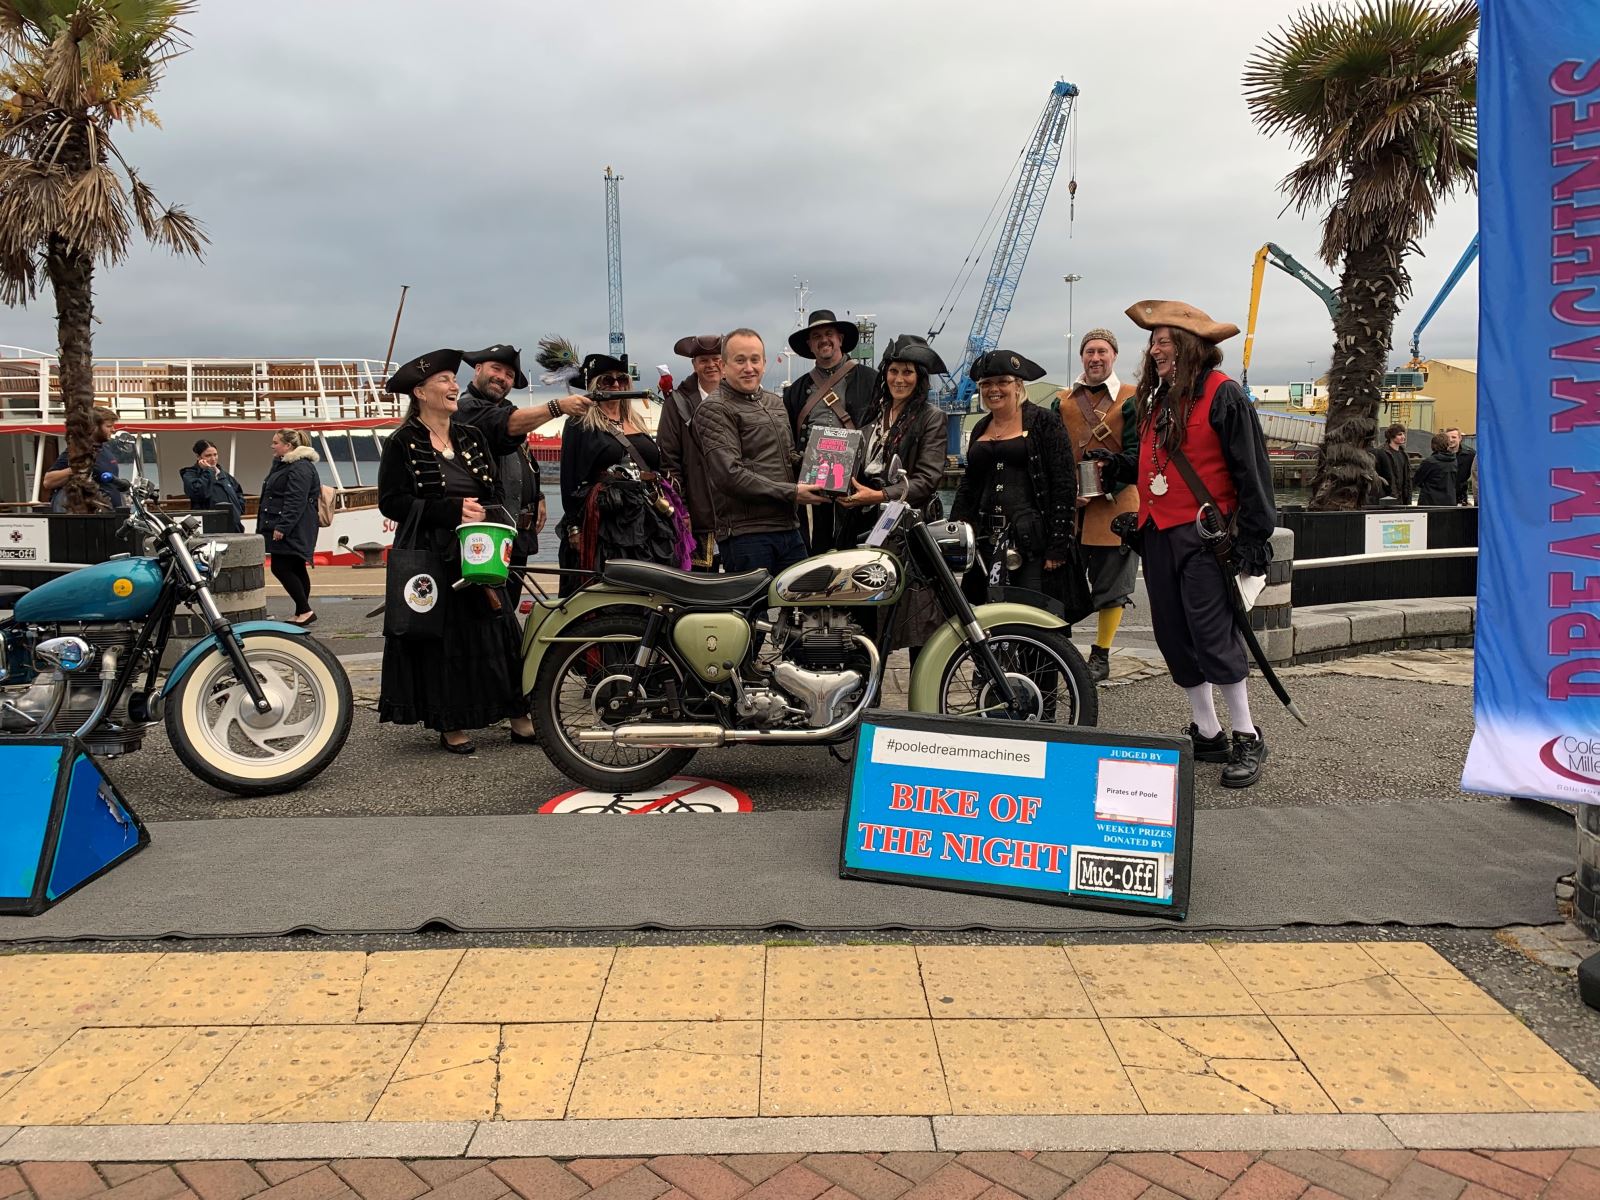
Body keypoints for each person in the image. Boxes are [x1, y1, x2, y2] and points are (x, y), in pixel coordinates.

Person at [1090, 300, 1277, 788]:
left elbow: (1252, 472)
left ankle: (1246, 734)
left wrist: (1254, 540)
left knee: (1214, 635)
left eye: (1164, 343)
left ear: (1191, 348)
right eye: (1153, 344)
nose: (1154, 352)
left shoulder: (1225, 395)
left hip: (1205, 537)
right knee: (1173, 635)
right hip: (1158, 534)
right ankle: (1208, 731)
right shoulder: (1155, 400)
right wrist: (1120, 469)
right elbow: (1156, 462)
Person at [376, 349, 536, 754]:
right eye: (444, 381)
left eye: (453, 380)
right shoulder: (402, 441)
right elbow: (391, 501)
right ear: (421, 392)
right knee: (443, 639)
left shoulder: (472, 436)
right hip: (432, 554)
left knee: (498, 630)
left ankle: (518, 715)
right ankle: (451, 722)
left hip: (476, 549)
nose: (452, 387)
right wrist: (449, 511)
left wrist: (483, 511)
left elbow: (495, 490)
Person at [840, 333, 950, 659]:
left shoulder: (931, 418)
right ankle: (865, 693)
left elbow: (927, 479)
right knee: (865, 617)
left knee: (921, 617)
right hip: (864, 525)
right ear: (884, 373)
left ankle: (924, 697)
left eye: (908, 372)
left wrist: (879, 495)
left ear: (919, 378)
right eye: (893, 371)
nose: (899, 379)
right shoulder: (872, 417)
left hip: (908, 531)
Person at [455, 343, 589, 605]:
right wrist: (558, 406)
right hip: (487, 536)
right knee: (489, 614)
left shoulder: (506, 409)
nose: (502, 378)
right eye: (496, 369)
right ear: (478, 369)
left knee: (508, 607)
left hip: (516, 535)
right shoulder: (467, 408)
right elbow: (505, 425)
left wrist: (537, 494)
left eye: (509, 375)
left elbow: (519, 456)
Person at [952, 350, 1076, 607]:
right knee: (986, 614)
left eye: (1002, 382)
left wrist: (1058, 545)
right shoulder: (980, 426)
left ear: (1018, 385)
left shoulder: (1045, 422)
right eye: (986, 384)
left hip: (1032, 541)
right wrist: (957, 531)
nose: (993, 389)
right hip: (986, 538)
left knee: (1031, 615)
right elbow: (969, 485)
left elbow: (1064, 483)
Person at [698, 328, 827, 573]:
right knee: (751, 611)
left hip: (788, 528)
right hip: (746, 533)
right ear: (724, 366)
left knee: (806, 605)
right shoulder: (714, 408)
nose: (749, 367)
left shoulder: (775, 402)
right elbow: (729, 475)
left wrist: (826, 470)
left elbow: (789, 458)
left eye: (755, 359)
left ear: (764, 364)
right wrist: (793, 493)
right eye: (740, 360)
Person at [1052, 328, 1140, 683]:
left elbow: (1136, 454)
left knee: (1113, 585)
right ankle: (1060, 648)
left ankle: (1101, 654)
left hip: (1117, 505)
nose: (1095, 358)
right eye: (1090, 351)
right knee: (1061, 581)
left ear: (1114, 356)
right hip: (1069, 506)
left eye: (1102, 351)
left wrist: (1103, 487)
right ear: (1082, 356)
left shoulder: (1134, 398)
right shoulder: (1061, 400)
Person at [557, 352, 690, 580]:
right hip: (607, 517)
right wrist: (574, 528)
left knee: (654, 578)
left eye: (622, 379)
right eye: (608, 380)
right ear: (595, 385)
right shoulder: (579, 423)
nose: (617, 384)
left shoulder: (636, 421)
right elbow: (569, 479)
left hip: (648, 513)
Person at [783, 309, 877, 551]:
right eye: (817, 336)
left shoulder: (871, 380)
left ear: (840, 339)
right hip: (812, 485)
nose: (824, 339)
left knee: (856, 550)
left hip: (858, 483)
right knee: (816, 550)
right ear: (810, 345)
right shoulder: (795, 390)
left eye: (829, 334)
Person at [658, 333, 724, 570]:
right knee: (700, 585)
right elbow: (669, 461)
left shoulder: (743, 398)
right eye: (704, 360)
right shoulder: (676, 403)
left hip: (739, 514)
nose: (711, 365)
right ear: (694, 364)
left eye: (716, 358)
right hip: (698, 513)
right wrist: (682, 508)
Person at [257, 429, 321, 626]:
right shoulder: (287, 465)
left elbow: (295, 500)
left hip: (294, 527)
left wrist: (283, 526)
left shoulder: (299, 467)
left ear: (288, 446)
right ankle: (301, 611)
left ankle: (304, 610)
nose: (272, 446)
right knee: (295, 567)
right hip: (293, 525)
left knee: (281, 567)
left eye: (276, 442)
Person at [42, 407, 124, 510]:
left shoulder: (106, 449)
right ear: (94, 427)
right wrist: (77, 469)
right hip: (93, 517)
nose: (113, 430)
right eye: (108, 426)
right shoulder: (79, 450)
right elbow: (48, 481)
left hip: (113, 515)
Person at [1414, 431, 1459, 505]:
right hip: (1449, 501)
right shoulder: (1454, 461)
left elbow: (1417, 480)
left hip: (1430, 501)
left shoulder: (1429, 462)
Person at [1372, 424, 1412, 504]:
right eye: (1399, 434)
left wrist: (1408, 498)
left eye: (1404, 434)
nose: (1403, 437)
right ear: (1391, 436)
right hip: (1386, 499)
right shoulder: (1380, 453)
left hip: (1402, 500)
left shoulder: (1404, 455)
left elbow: (1407, 479)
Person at [1444, 427, 1474, 505]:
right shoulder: (1439, 455)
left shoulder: (1470, 455)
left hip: (1461, 497)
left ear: (1460, 438)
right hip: (1443, 497)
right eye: (1447, 437)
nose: (1450, 440)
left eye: (1454, 437)